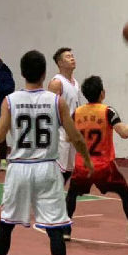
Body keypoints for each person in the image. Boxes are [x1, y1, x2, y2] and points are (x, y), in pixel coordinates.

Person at [0, 50, 92, 255]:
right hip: (47, 167)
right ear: (43, 73)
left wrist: (3, 128)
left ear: (22, 73)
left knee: (7, 222)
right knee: (55, 225)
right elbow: (74, 136)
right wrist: (86, 159)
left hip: (19, 167)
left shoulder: (10, 100)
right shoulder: (56, 101)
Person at [65, 75, 128, 243]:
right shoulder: (108, 111)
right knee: (125, 193)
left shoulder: (77, 113)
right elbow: (125, 133)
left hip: (83, 166)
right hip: (104, 166)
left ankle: (65, 230)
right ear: (102, 93)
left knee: (72, 193)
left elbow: (68, 138)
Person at [47, 47, 83, 182]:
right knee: (57, 170)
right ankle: (47, 193)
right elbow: (50, 110)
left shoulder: (75, 82)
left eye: (72, 56)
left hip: (72, 131)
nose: (72, 58)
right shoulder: (56, 82)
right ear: (60, 63)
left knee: (69, 169)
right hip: (60, 132)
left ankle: (56, 192)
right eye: (68, 57)